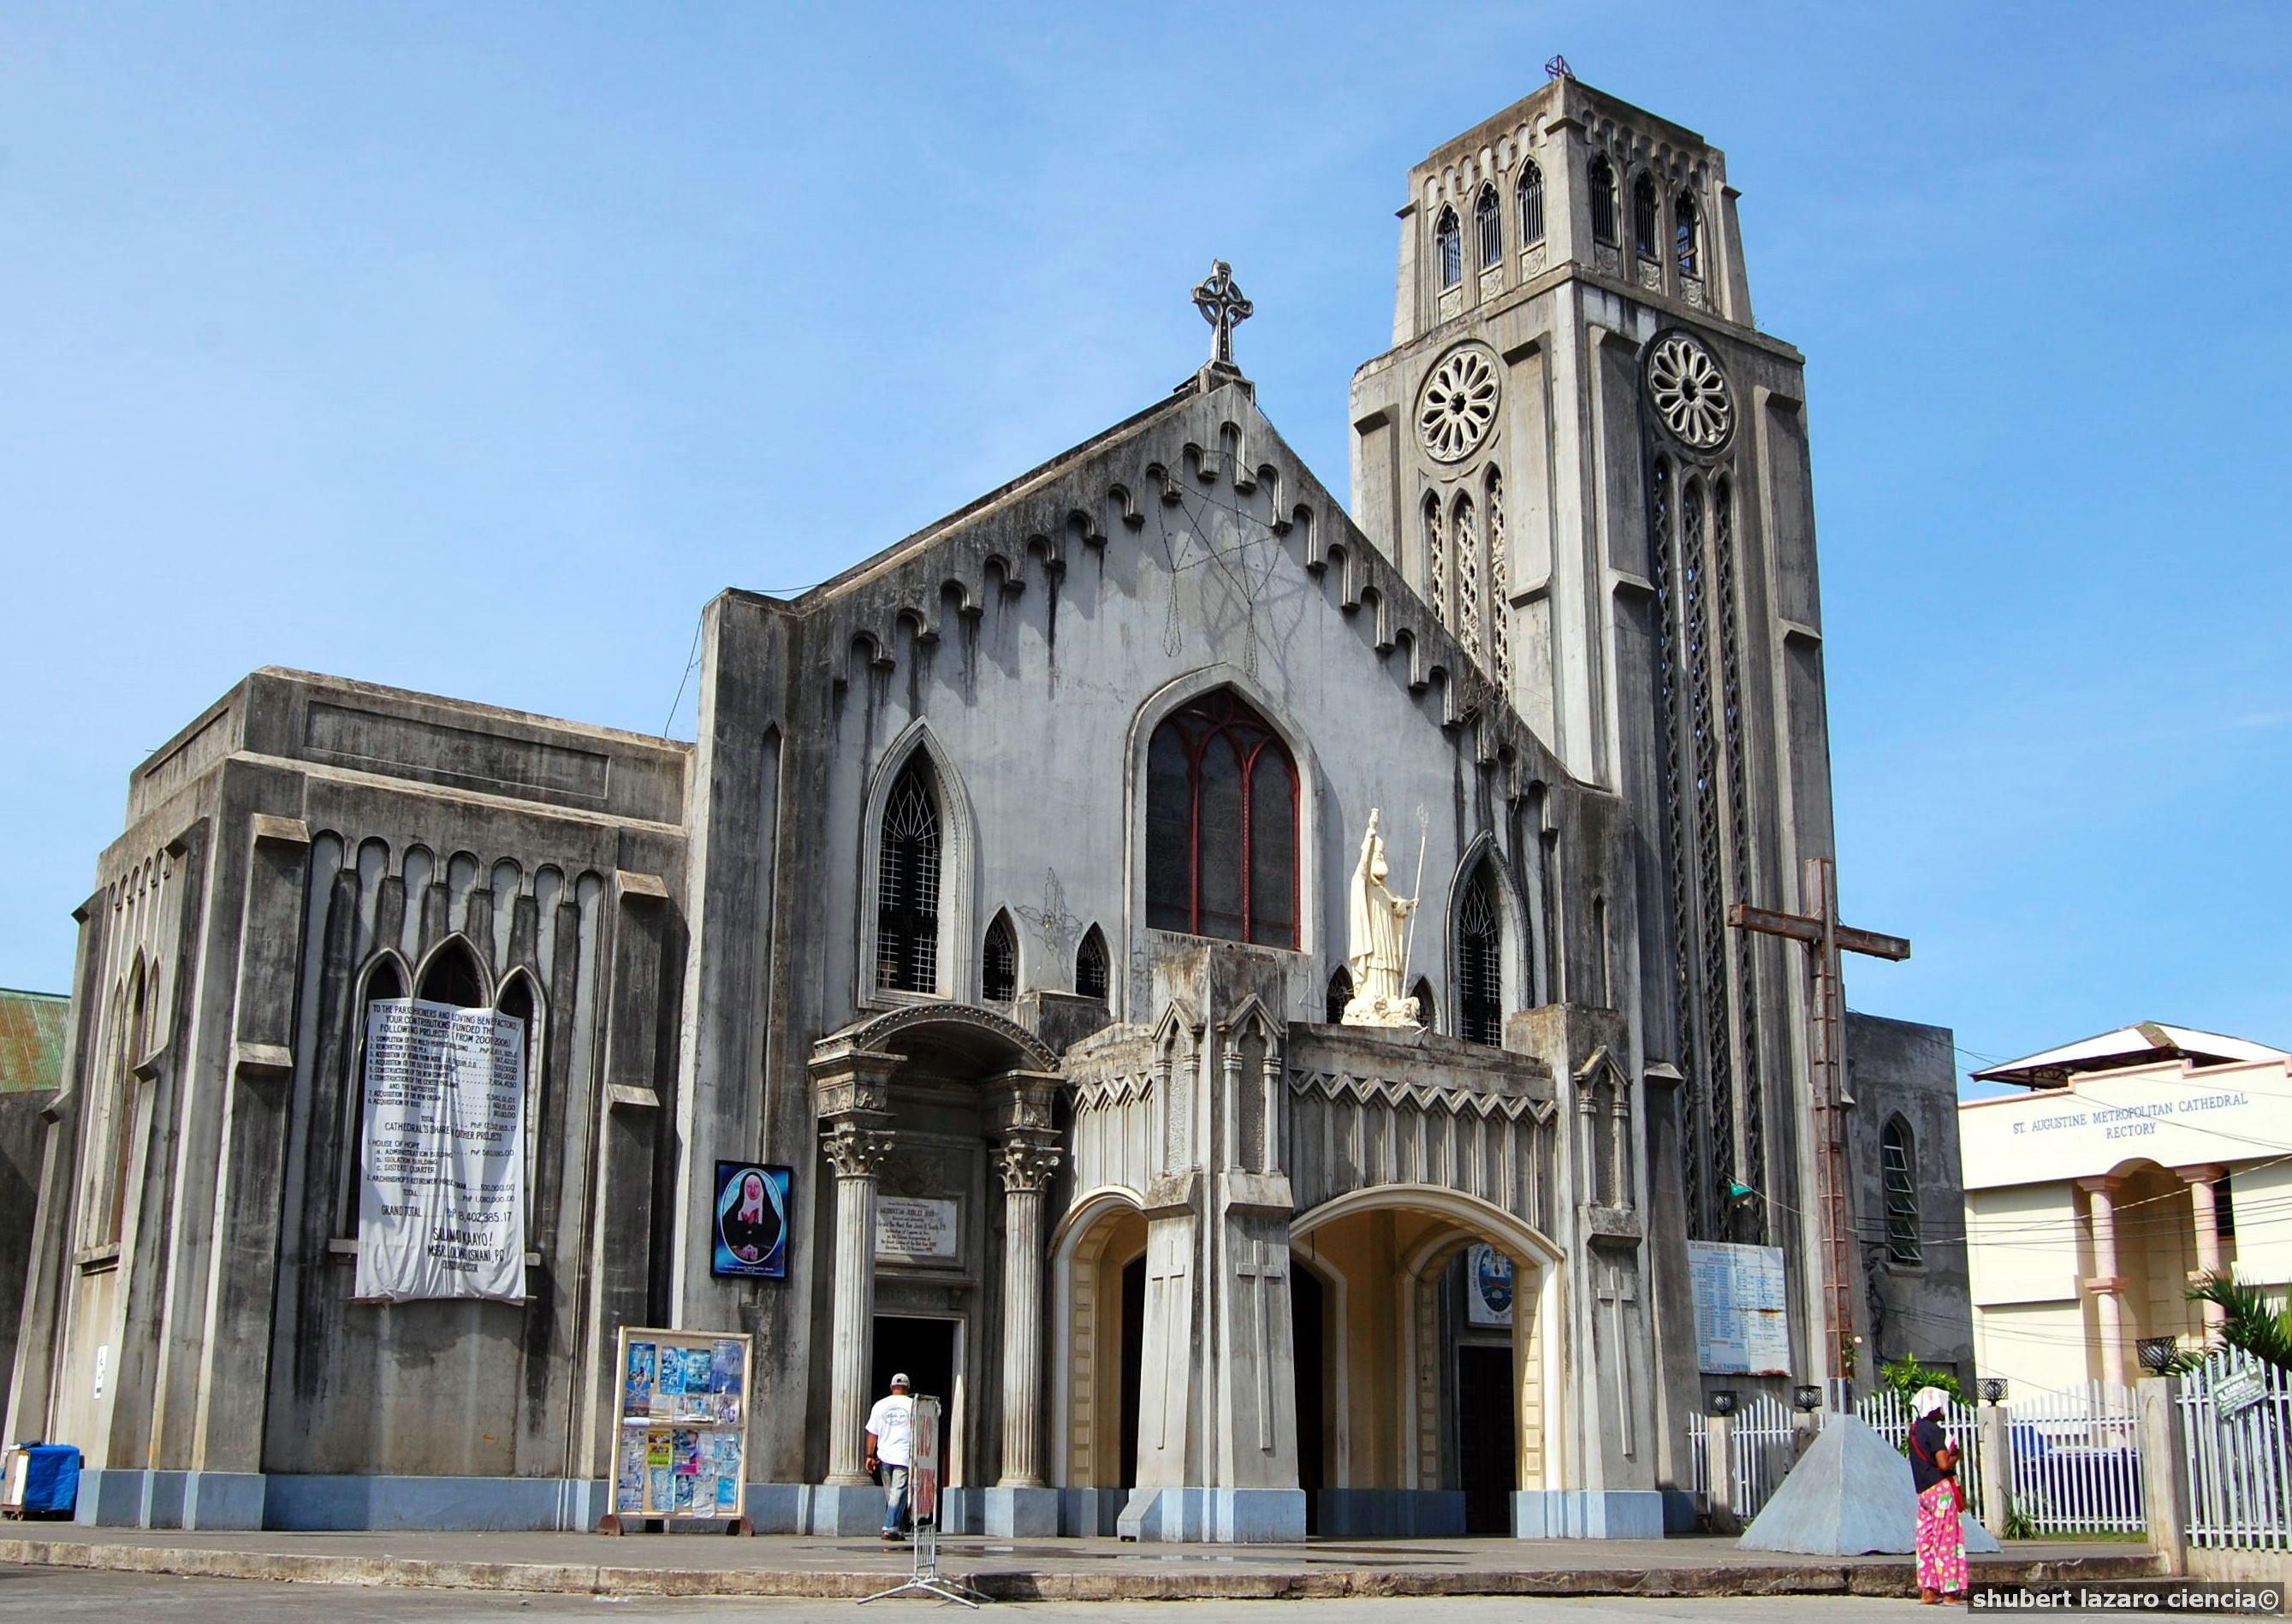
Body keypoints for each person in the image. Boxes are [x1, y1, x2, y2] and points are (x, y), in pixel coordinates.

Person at [1908, 1386, 1968, 1604]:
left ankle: (1928, 1590)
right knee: (1946, 1539)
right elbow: (1943, 1464)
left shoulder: (1915, 1430)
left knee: (1925, 1540)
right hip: (1940, 1490)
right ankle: (1950, 1591)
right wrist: (1956, 1456)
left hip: (1923, 1492)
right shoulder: (1934, 1431)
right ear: (1933, 1407)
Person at [864, 1373, 914, 1540]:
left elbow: (872, 1433)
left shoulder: (880, 1405)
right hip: (904, 1455)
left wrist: (870, 1455)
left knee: (892, 1494)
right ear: (907, 1388)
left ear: (891, 1387)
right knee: (897, 1493)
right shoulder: (914, 1405)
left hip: (884, 1455)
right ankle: (890, 1526)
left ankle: (896, 1528)